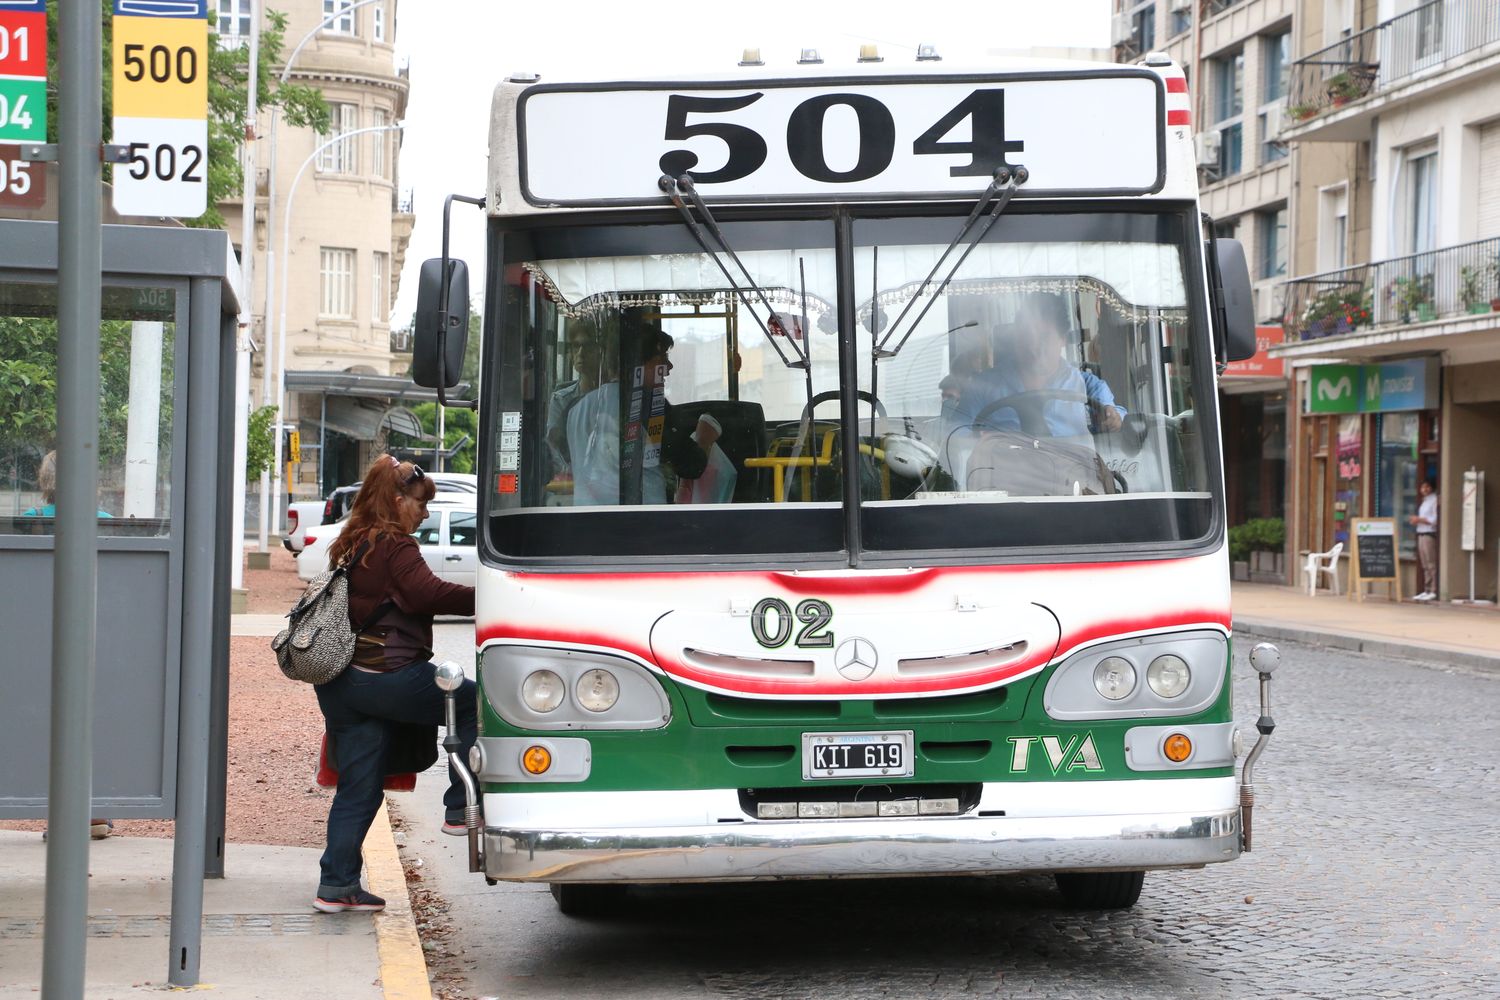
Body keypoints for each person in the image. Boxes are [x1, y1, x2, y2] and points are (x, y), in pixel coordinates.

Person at [311, 455, 476, 914]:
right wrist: (491, 597)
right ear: (398, 500)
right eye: (421, 504)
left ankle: (337, 884)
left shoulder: (350, 541)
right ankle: (460, 807)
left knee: (359, 786)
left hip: (341, 680)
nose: (424, 513)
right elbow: (428, 594)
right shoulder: (395, 545)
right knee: (477, 704)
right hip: (387, 674)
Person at [26, 449, 113, 839]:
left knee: (43, 720)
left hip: (38, 631)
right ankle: (93, 811)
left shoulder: (28, 523)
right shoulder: (108, 524)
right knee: (96, 718)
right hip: (98, 631)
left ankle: (58, 814)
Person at [567, 327, 708, 506]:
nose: (668, 367)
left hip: (586, 517)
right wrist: (704, 441)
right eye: (662, 358)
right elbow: (691, 464)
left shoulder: (576, 410)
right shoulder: (646, 406)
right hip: (642, 518)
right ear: (638, 365)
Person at [957, 291, 1125, 439]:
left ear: (1062, 340)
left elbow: (1116, 415)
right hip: (1004, 471)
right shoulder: (982, 387)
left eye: (1044, 337)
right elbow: (955, 434)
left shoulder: (1088, 386)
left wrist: (1113, 418)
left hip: (1074, 471)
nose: (1034, 346)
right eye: (1027, 336)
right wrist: (978, 440)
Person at [1408, 477, 1439, 601]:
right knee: (1425, 563)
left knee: (1431, 563)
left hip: (1429, 534)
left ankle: (1434, 589)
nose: (1425, 489)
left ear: (1432, 488)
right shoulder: (1424, 501)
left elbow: (1434, 520)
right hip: (1420, 533)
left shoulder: (1435, 500)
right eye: (1422, 487)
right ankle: (1426, 589)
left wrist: (1419, 520)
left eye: (1427, 487)